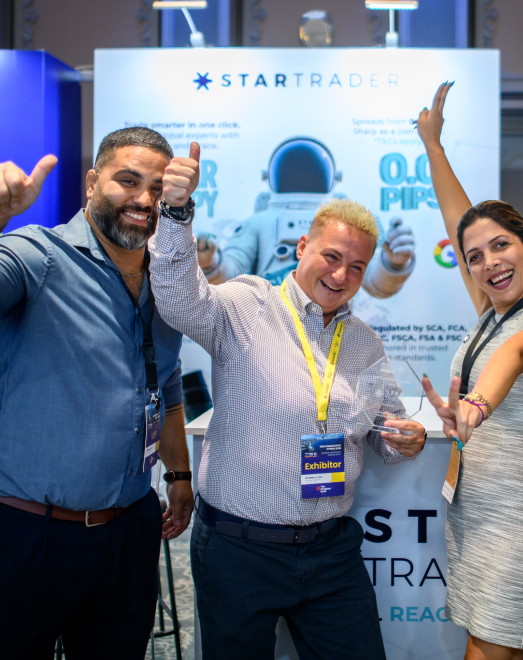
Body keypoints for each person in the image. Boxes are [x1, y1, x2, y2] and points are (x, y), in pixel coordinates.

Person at [0, 127, 195, 660]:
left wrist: (179, 475)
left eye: (158, 189)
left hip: (128, 530)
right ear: (92, 183)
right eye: (128, 181)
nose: (144, 199)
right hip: (23, 535)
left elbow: (168, 382)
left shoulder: (168, 279)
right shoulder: (38, 254)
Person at [148, 142, 426, 660]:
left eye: (357, 267)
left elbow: (383, 429)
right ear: (302, 247)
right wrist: (176, 213)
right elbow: (179, 299)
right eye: (332, 257)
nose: (341, 276)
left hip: (330, 550)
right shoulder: (246, 304)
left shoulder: (363, 342)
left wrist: (403, 439)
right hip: (239, 549)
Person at [416, 82, 523, 659]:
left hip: (522, 520)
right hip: (476, 514)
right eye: (475, 257)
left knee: (487, 651)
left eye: (502, 245)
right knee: (505, 652)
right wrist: (433, 146)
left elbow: (514, 355)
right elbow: (457, 219)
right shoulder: (491, 311)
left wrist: (476, 405)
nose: (489, 262)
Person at [194, 136, 416, 298]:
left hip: (330, 330)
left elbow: (374, 281)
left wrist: (392, 264)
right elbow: (231, 278)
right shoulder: (259, 224)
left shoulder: (347, 227)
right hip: (271, 328)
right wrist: (211, 262)